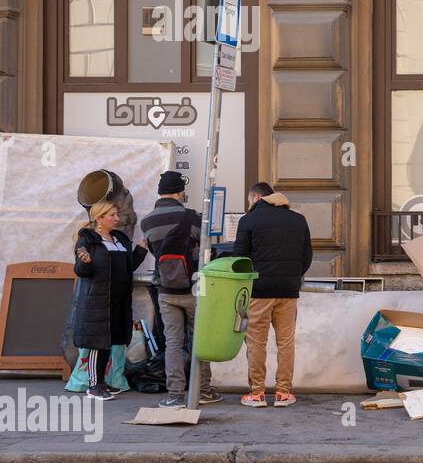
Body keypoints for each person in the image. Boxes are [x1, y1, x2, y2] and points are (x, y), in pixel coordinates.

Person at [140, 170, 219, 408]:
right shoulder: (192, 218)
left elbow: (156, 252)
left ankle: (174, 395)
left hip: (165, 291)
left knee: (173, 343)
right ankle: (203, 390)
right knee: (199, 340)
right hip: (194, 290)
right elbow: (208, 248)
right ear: (179, 191)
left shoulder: (147, 222)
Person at [233, 182, 312, 408]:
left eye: (250, 201)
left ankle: (257, 393)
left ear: (256, 198)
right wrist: (292, 277)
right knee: (286, 342)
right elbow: (307, 256)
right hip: (288, 291)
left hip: (259, 291)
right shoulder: (298, 220)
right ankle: (283, 393)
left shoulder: (248, 220)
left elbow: (240, 258)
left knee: (256, 342)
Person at [72, 200, 147, 400]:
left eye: (116, 214)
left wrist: (140, 249)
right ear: (99, 218)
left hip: (118, 302)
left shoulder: (119, 240)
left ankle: (102, 383)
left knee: (111, 341)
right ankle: (94, 386)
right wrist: (85, 262)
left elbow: (127, 267)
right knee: (98, 344)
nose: (117, 218)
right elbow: (81, 270)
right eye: (112, 215)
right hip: (97, 302)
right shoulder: (87, 240)